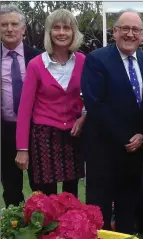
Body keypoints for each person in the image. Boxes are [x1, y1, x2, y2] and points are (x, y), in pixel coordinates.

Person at [81, 9, 143, 239]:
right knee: (99, 208)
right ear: (114, 32)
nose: (130, 34)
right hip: (104, 150)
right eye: (124, 28)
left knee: (127, 207)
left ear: (142, 35)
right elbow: (95, 103)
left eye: (135, 30)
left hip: (135, 152)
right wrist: (125, 137)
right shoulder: (97, 60)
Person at [15, 9, 86, 197]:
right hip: (44, 137)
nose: (62, 32)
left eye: (66, 28)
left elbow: (91, 96)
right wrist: (22, 149)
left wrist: (84, 117)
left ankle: (72, 227)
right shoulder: (36, 65)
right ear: (49, 32)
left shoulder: (82, 61)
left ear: (73, 32)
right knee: (47, 198)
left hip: (73, 135)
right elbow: (24, 110)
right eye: (56, 28)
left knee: (71, 195)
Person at [0, 4, 41, 206]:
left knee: (41, 187)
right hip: (5, 131)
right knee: (10, 188)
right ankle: (15, 233)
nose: (9, 29)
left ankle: (44, 232)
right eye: (4, 24)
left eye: (14, 24)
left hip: (36, 131)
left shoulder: (39, 57)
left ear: (23, 29)